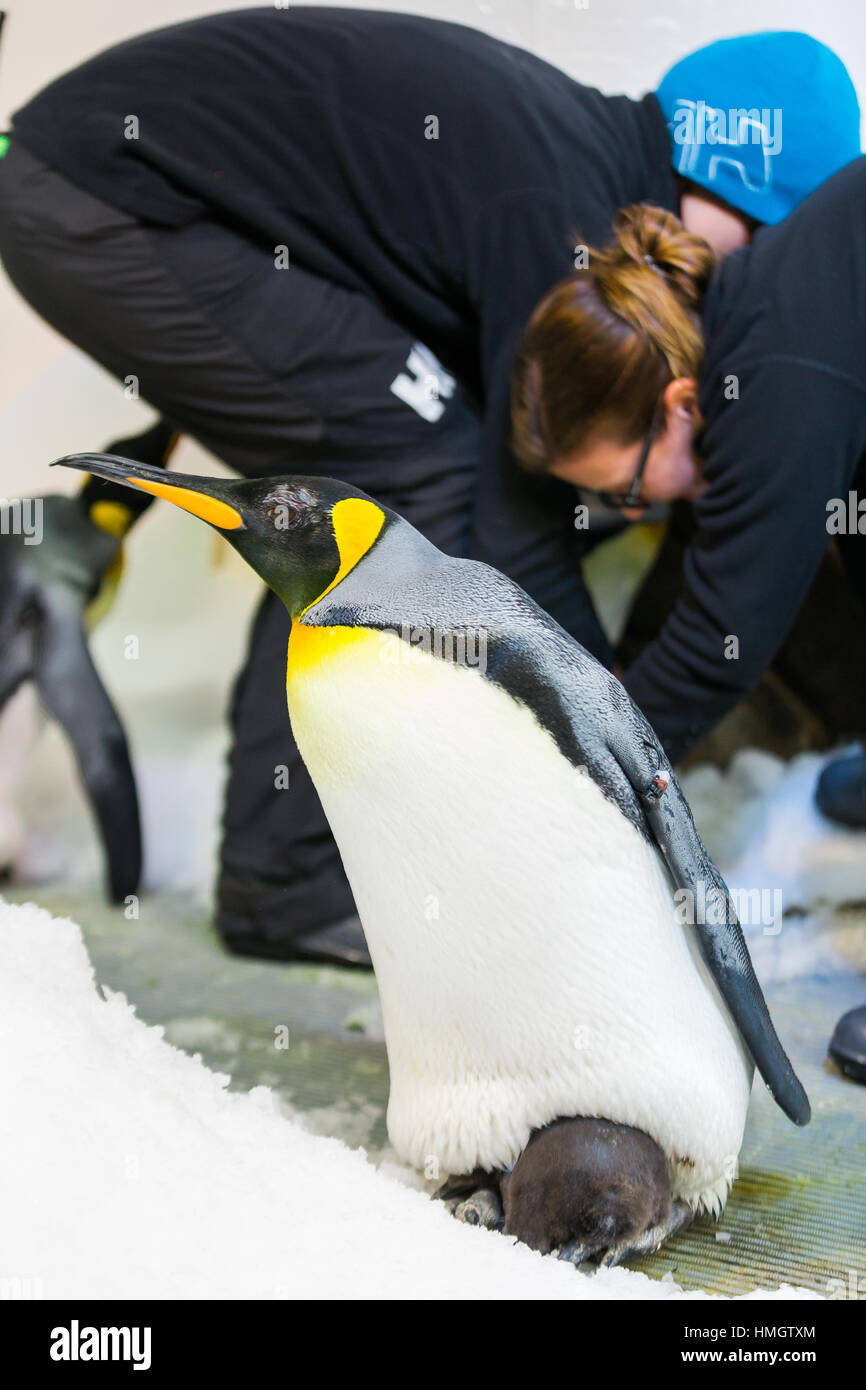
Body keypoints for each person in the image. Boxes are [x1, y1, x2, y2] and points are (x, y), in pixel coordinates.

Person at [0, 8, 859, 965]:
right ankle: (284, 887)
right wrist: (590, 758)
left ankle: (295, 865)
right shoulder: (567, 223)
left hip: (96, 180)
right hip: (106, 198)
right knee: (411, 478)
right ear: (725, 190)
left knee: (411, 478)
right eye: (758, 247)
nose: (739, 286)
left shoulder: (580, 170)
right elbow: (516, 516)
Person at [510, 154, 866, 1079]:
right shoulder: (765, 322)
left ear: (676, 406)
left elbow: (716, 646)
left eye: (627, 491)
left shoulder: (778, 374)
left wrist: (558, 799)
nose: (635, 517)